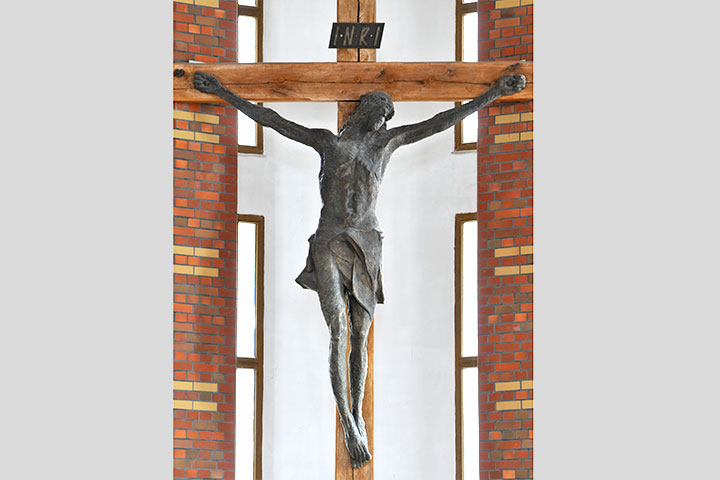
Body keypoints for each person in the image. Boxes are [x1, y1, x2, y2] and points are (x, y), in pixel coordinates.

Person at [193, 71, 526, 468]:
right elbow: (273, 121)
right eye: (381, 110)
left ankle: (358, 415)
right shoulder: (327, 141)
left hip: (367, 244)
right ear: (364, 109)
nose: (384, 119)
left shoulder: (386, 143)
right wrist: (223, 92)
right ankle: (348, 420)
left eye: (388, 115)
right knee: (338, 328)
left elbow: (440, 122)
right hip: (330, 240)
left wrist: (493, 94)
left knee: (360, 334)